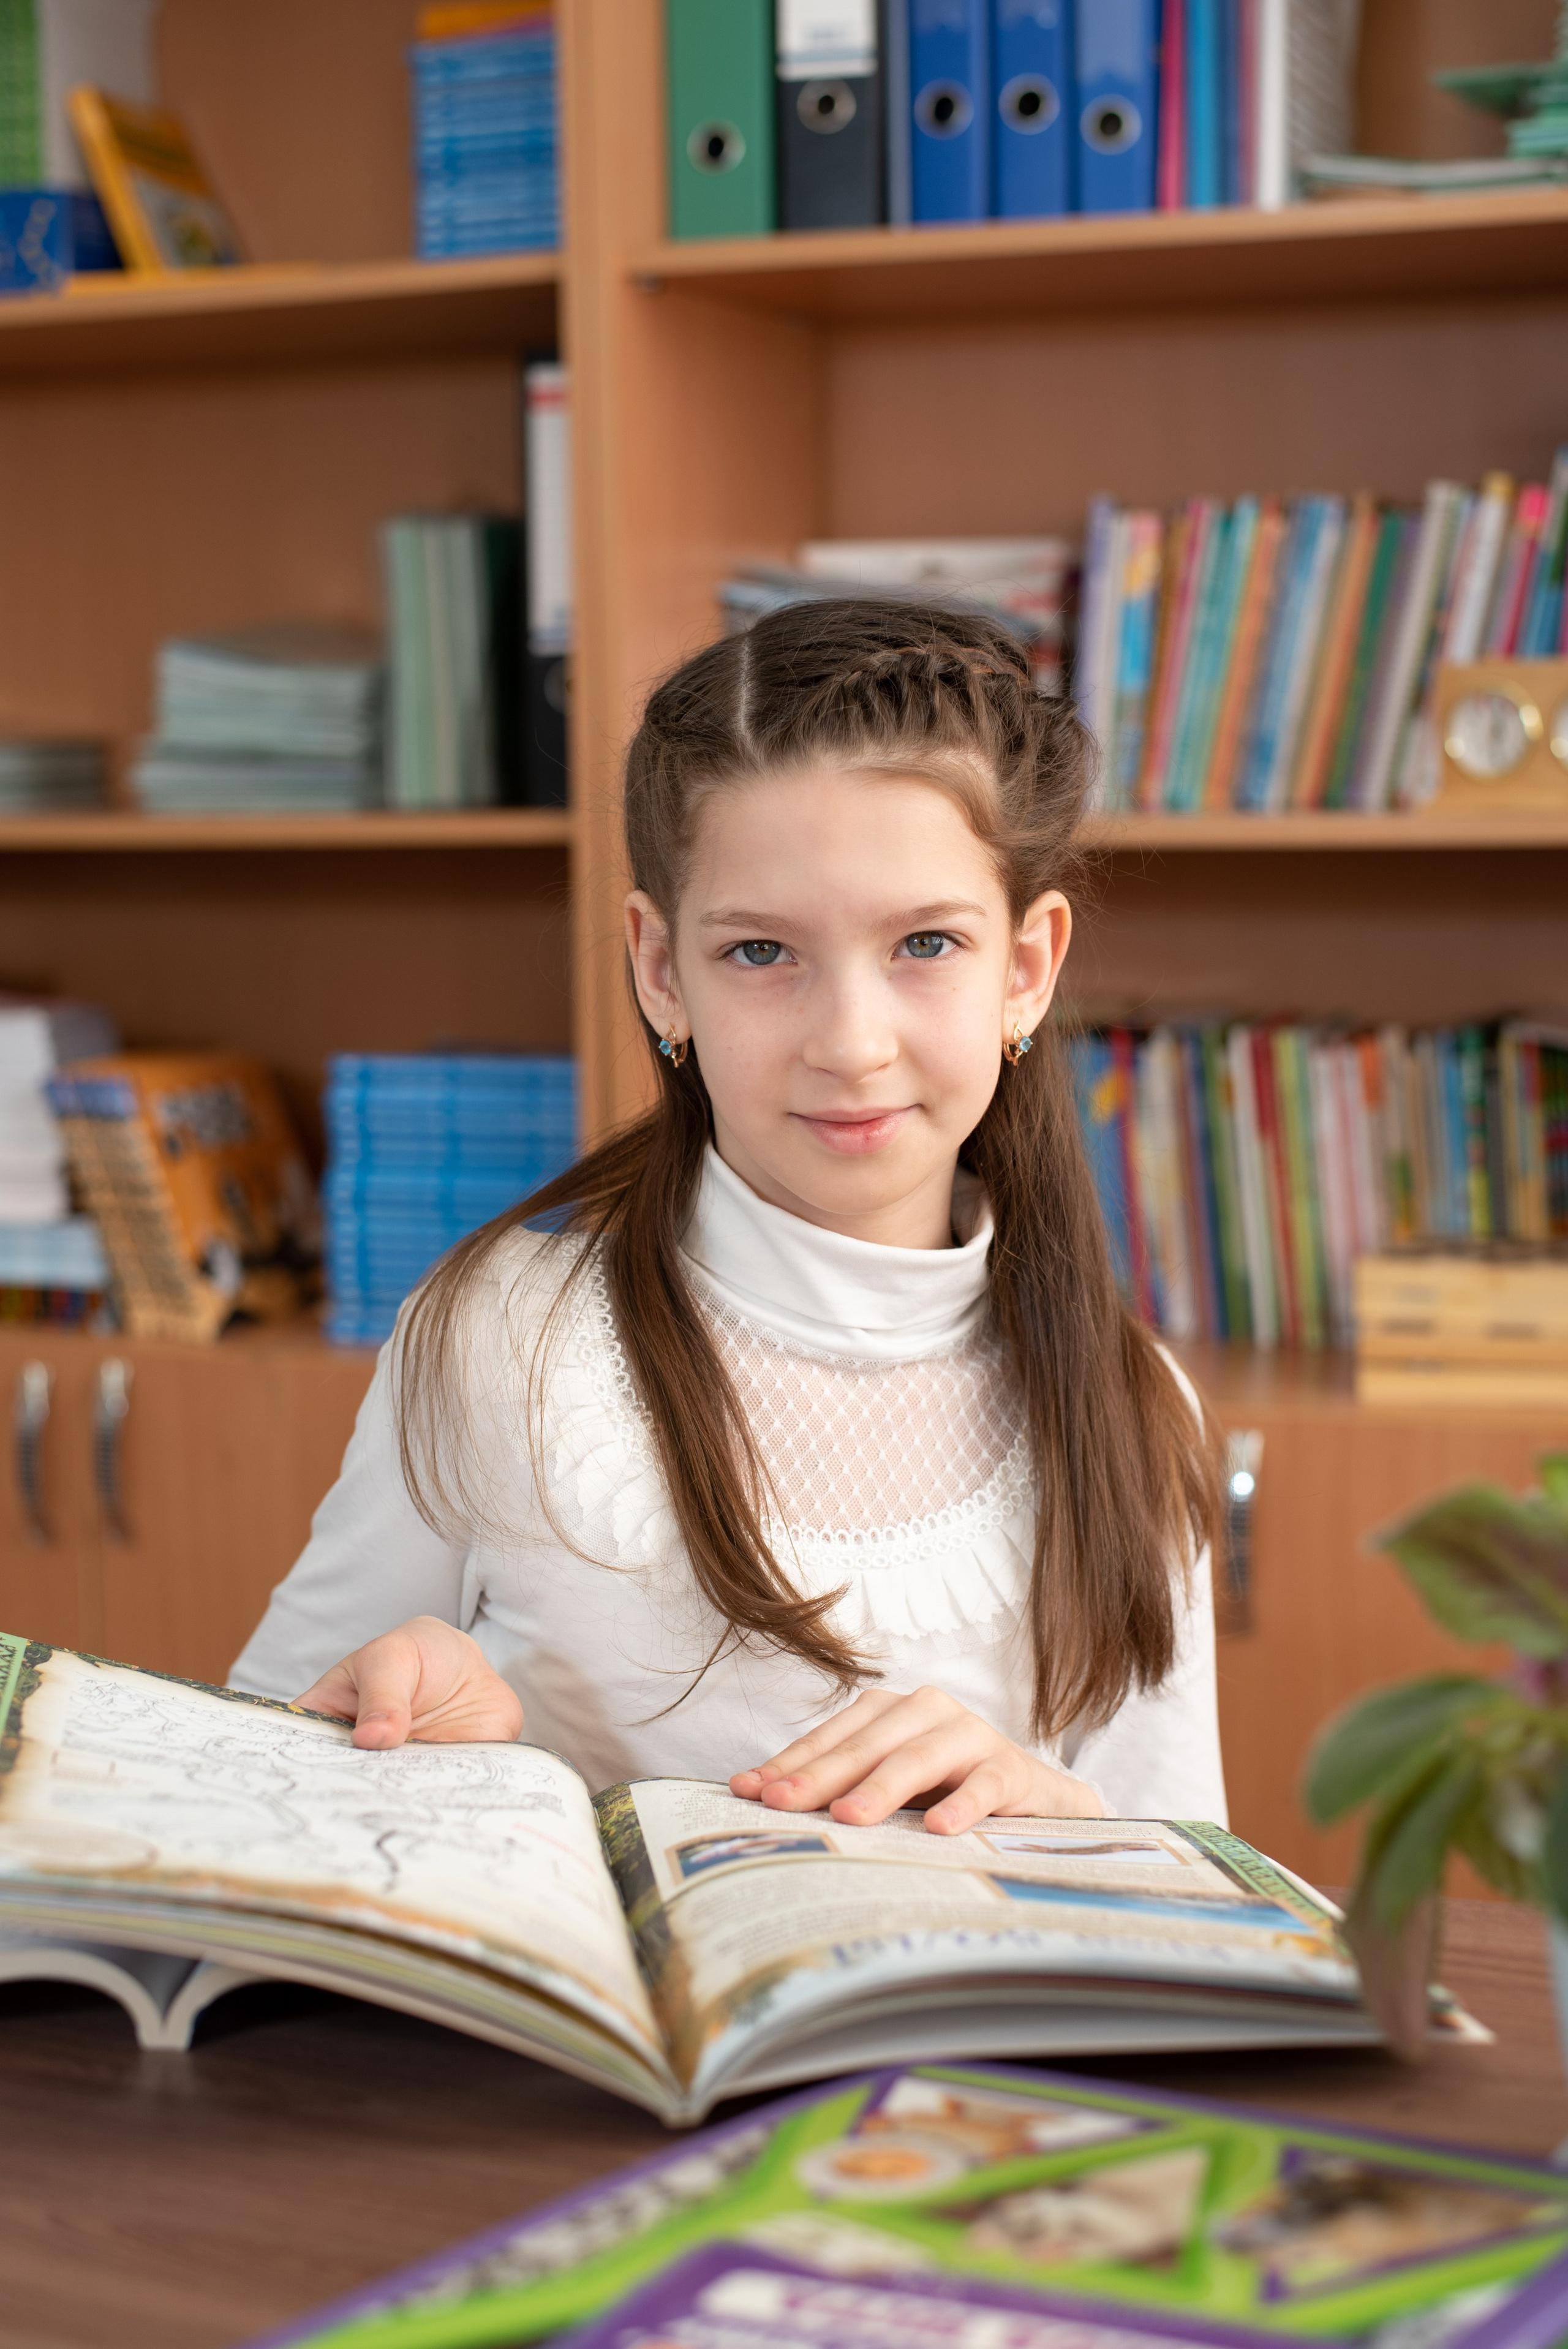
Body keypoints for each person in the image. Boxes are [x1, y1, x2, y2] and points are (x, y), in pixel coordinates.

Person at [231, 598, 1226, 1834]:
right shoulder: (497, 1341)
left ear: (1024, 967)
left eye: (924, 942)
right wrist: (386, 1735)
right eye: (762, 953)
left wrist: (1063, 1813)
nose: (850, 1044)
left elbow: (1189, 1909)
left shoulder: (1131, 1412)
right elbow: (245, 1780)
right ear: (662, 970)